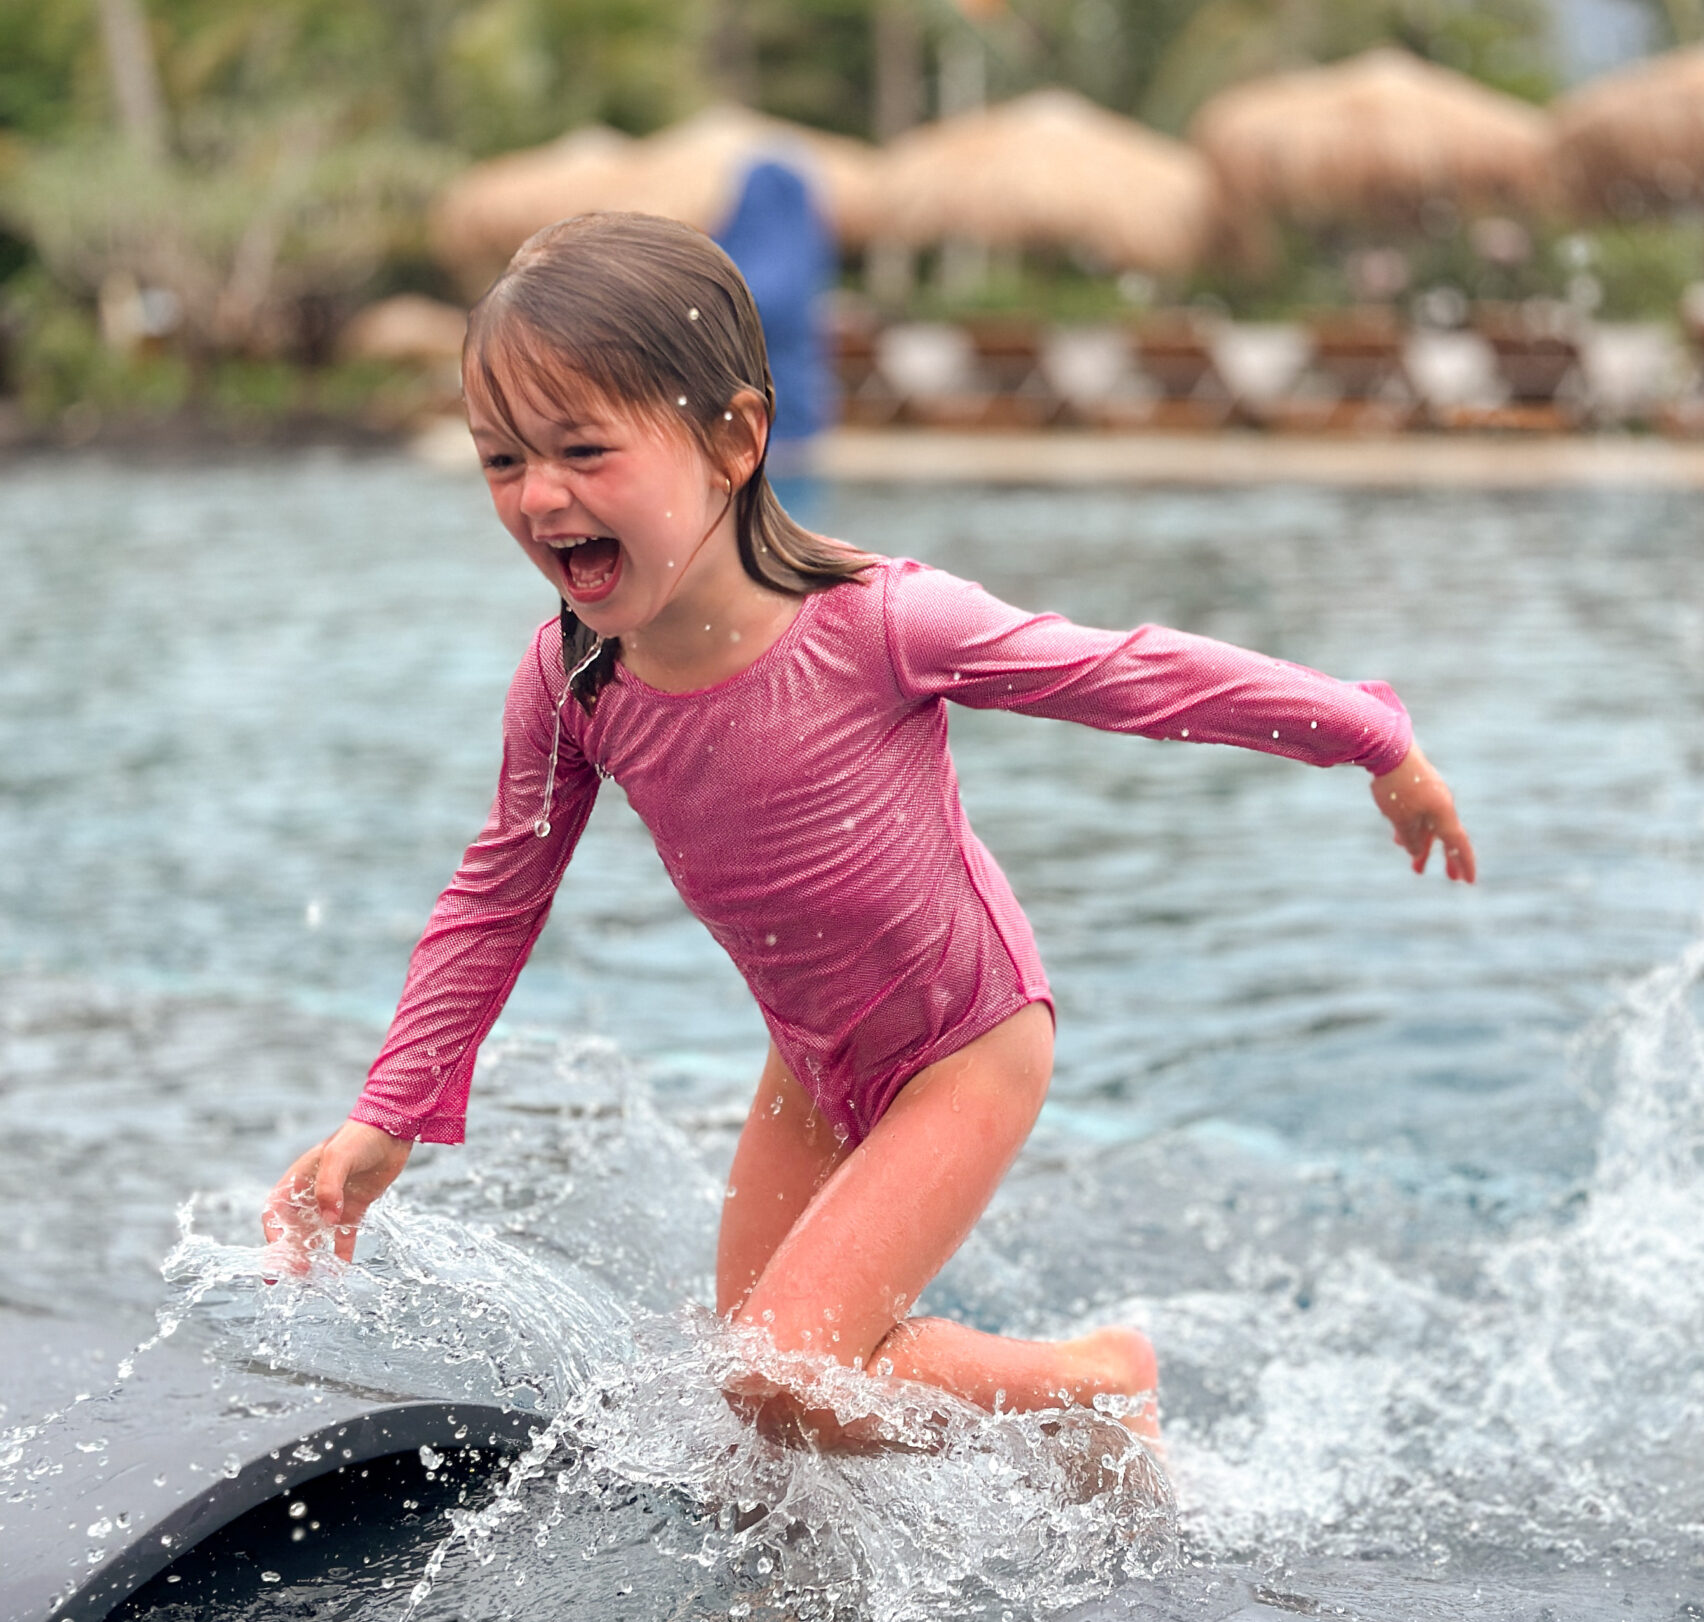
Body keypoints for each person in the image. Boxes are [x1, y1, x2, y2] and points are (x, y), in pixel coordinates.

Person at [262, 213, 1475, 1449]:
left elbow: (1128, 674)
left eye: (583, 448)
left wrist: (1374, 740)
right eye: (500, 460)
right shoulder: (574, 682)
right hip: (814, 1060)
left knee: (784, 1375)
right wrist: (391, 1112)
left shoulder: (878, 624)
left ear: (731, 439)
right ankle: (1003, 1487)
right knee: (757, 1412)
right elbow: (497, 890)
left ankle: (1099, 1380)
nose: (540, 496)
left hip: (965, 1043)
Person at [714, 157, 834, 519]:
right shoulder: (805, 244)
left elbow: (748, 307)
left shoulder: (741, 251)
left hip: (764, 417)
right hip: (793, 410)